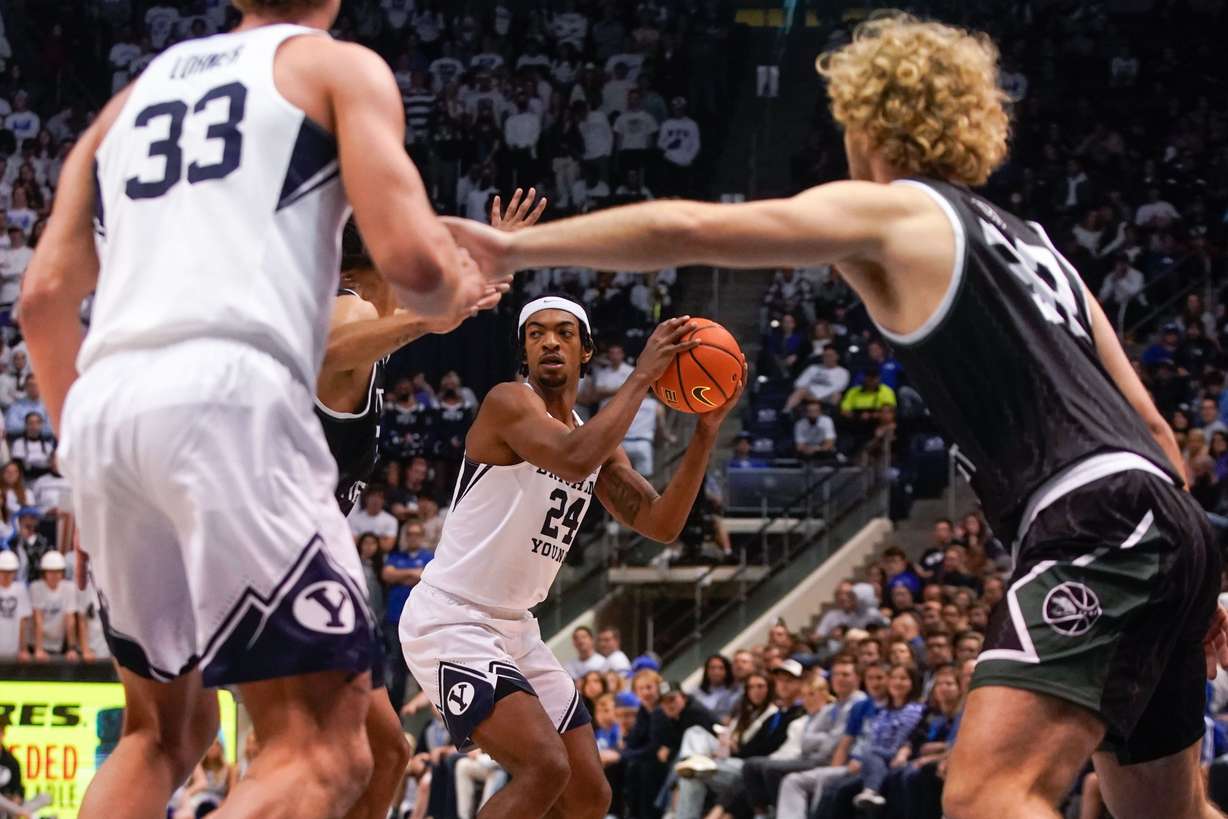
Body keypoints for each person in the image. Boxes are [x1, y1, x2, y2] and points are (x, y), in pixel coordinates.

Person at [441, 14, 1228, 819]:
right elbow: (1157, 432)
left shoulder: (895, 213)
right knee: (1170, 811)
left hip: (1092, 514)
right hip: (1166, 520)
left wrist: (512, 253)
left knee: (990, 793)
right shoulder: (1038, 244)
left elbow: (690, 228)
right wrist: (1202, 580)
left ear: (866, 117)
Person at [22, 0, 502, 815]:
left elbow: (41, 300)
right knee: (321, 748)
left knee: (162, 734)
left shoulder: (127, 100)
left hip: (104, 406)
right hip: (230, 394)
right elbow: (414, 266)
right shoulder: (334, 67)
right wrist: (458, 288)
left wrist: (90, 443)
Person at [399, 294, 745, 819]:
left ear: (585, 351)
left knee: (588, 795)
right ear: (525, 352)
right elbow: (572, 457)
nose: (549, 342)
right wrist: (641, 377)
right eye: (535, 334)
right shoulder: (509, 404)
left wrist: (704, 433)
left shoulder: (594, 437)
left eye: (563, 332)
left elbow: (660, 523)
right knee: (544, 766)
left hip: (516, 628)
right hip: (452, 618)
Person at [313, 194, 540, 819]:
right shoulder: (346, 312)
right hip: (286, 567)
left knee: (386, 753)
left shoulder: (370, 326)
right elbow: (336, 350)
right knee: (311, 759)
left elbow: (425, 312)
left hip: (314, 569)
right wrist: (441, 310)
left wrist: (491, 264)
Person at [29, 550, 78, 661]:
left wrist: (72, 648)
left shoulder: (69, 588)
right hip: (35, 644)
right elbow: (38, 620)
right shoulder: (36, 587)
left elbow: (70, 621)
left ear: (63, 572)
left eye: (57, 571)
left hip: (58, 644)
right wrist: (39, 649)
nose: (54, 575)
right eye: (50, 572)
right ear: (44, 573)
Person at [0, 549, 30, 660]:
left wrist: (23, 648)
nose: (6, 575)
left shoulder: (20, 590)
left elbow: (23, 621)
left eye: (10, 572)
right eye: (3, 571)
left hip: (13, 651)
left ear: (15, 572)